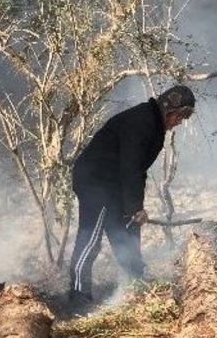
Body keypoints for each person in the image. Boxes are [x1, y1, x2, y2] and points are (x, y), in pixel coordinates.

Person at [68, 85, 195, 303]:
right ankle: (78, 294)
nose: (179, 122)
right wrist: (136, 207)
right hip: (95, 181)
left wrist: (133, 209)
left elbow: (138, 170)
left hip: (114, 183)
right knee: (91, 237)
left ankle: (136, 283)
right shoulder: (142, 123)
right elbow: (131, 168)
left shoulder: (153, 125)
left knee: (128, 230)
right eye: (180, 116)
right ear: (169, 110)